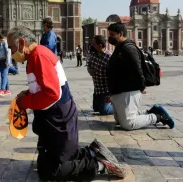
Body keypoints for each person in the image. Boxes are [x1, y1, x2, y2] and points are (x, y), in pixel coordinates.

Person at [7, 25, 126, 181]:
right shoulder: (36, 55)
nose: (11, 52)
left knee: (52, 172)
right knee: (44, 165)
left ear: (22, 43)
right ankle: (93, 151)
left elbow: (51, 93)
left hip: (60, 121)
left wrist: (26, 102)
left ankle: (99, 165)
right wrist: (28, 93)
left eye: (11, 47)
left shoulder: (39, 56)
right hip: (53, 120)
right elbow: (43, 86)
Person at [107, 22, 175, 130]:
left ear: (120, 34)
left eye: (112, 34)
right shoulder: (120, 48)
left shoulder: (128, 48)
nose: (109, 37)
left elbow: (137, 69)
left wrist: (142, 86)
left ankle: (158, 117)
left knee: (128, 124)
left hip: (128, 89)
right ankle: (150, 112)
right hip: (118, 90)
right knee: (119, 120)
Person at [87, 35, 113, 115]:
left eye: (94, 44)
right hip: (97, 90)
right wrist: (90, 70)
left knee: (105, 111)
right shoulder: (93, 53)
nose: (92, 46)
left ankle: (117, 105)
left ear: (100, 46)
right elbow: (89, 65)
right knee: (96, 109)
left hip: (106, 92)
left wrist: (111, 96)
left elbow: (113, 78)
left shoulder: (109, 57)